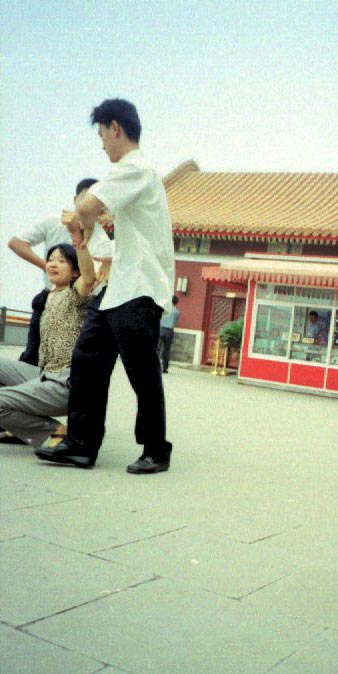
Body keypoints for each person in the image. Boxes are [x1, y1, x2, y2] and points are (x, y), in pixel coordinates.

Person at [36, 98, 175, 474]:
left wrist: (79, 218)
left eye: (101, 135)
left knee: (142, 371)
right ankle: (81, 444)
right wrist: (82, 226)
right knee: (87, 358)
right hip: (117, 288)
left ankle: (156, 449)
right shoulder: (132, 174)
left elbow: (87, 206)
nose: (102, 145)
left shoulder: (136, 168)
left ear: (115, 128)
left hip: (141, 287)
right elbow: (92, 214)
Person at [8, 179, 112, 365]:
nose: (88, 207)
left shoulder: (101, 237)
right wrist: (48, 267)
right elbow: (16, 243)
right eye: (85, 199)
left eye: (95, 203)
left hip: (79, 303)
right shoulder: (53, 221)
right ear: (75, 199)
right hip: (50, 296)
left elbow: (95, 277)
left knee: (69, 360)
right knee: (31, 356)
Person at [0, 244, 95, 447]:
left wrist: (80, 243)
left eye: (62, 261)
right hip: (44, 373)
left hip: (65, 381)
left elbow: (89, 278)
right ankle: (19, 426)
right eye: (50, 259)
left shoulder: (76, 294)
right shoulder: (49, 296)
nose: (53, 264)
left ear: (75, 272)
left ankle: (54, 433)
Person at [158, 295, 180, 373]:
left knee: (157, 349)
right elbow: (175, 323)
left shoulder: (164, 309)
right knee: (166, 350)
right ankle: (165, 368)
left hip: (161, 330)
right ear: (176, 302)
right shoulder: (177, 312)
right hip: (169, 331)